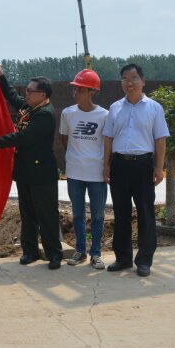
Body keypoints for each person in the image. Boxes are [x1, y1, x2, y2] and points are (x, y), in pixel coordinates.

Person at [0, 64, 63, 270]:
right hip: (25, 171)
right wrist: (1, 77)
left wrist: (1, 141)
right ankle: (30, 251)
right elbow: (12, 96)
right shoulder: (30, 107)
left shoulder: (45, 114)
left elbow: (26, 136)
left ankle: (54, 254)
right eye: (27, 90)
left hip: (41, 174)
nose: (27, 93)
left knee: (46, 215)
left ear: (43, 95)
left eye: (31, 91)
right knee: (28, 214)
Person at [103, 63, 169, 278]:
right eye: (124, 78)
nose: (129, 83)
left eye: (133, 78)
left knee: (145, 213)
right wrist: (106, 164)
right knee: (121, 213)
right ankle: (123, 259)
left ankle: (144, 260)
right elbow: (108, 138)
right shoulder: (115, 108)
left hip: (143, 166)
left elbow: (160, 139)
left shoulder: (154, 108)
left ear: (143, 81)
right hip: (119, 165)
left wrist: (159, 167)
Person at [59, 69, 108, 270]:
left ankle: (96, 253)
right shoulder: (67, 113)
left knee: (98, 216)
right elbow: (65, 140)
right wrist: (75, 158)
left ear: (92, 92)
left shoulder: (105, 115)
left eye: (80, 89)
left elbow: (108, 144)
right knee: (78, 214)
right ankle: (80, 251)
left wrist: (106, 167)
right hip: (74, 173)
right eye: (74, 89)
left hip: (97, 174)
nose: (75, 93)